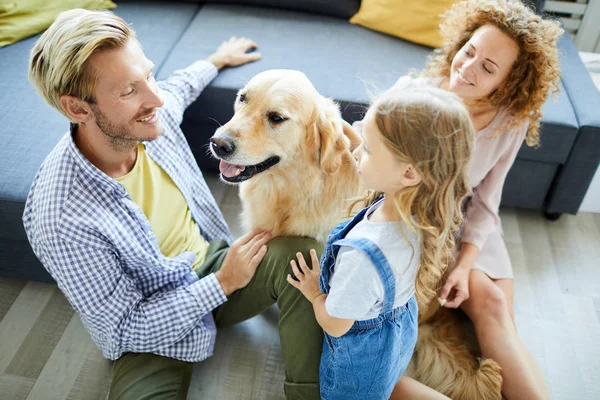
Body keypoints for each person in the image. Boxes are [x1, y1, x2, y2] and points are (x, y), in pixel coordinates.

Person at [24, 9, 324, 399]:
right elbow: (123, 328)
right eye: (130, 91)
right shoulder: (60, 218)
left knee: (303, 255)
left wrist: (217, 60)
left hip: (215, 259)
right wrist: (222, 283)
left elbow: (178, 86)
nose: (157, 98)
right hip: (154, 328)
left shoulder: (146, 116)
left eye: (148, 75)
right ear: (78, 109)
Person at [347, 1, 562, 398]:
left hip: (471, 226)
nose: (468, 67)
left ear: (509, 82)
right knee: (487, 307)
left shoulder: (508, 123)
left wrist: (465, 265)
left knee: (497, 309)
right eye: (470, 51)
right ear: (460, 43)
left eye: (488, 68)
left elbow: (485, 203)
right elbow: (364, 146)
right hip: (422, 219)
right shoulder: (413, 95)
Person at [288, 82, 475, 399]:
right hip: (397, 333)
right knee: (385, 385)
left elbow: (336, 325)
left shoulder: (361, 257)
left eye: (369, 150)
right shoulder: (421, 214)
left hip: (361, 358)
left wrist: (313, 293)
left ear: (409, 173)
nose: (355, 150)